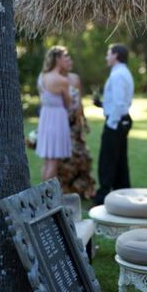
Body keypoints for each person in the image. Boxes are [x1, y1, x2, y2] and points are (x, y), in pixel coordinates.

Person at [94, 43, 134, 205]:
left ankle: (102, 197)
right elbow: (120, 101)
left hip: (116, 122)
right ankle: (122, 192)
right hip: (121, 119)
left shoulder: (118, 75)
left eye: (108, 54)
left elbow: (119, 104)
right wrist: (102, 104)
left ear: (116, 55)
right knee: (119, 160)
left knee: (108, 160)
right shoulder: (122, 72)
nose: (106, 57)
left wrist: (111, 123)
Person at [57, 54, 96, 199]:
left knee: (82, 157)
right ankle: (64, 189)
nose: (70, 62)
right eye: (66, 61)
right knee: (66, 158)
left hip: (76, 125)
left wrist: (84, 120)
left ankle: (82, 189)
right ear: (59, 63)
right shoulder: (56, 79)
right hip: (62, 124)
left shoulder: (75, 78)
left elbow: (79, 101)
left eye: (70, 60)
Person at [36, 45, 72, 180]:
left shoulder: (42, 76)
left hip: (45, 116)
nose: (67, 59)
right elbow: (67, 103)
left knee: (47, 161)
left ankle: (42, 195)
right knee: (53, 162)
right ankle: (48, 197)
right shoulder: (62, 80)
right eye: (65, 57)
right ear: (58, 59)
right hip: (57, 118)